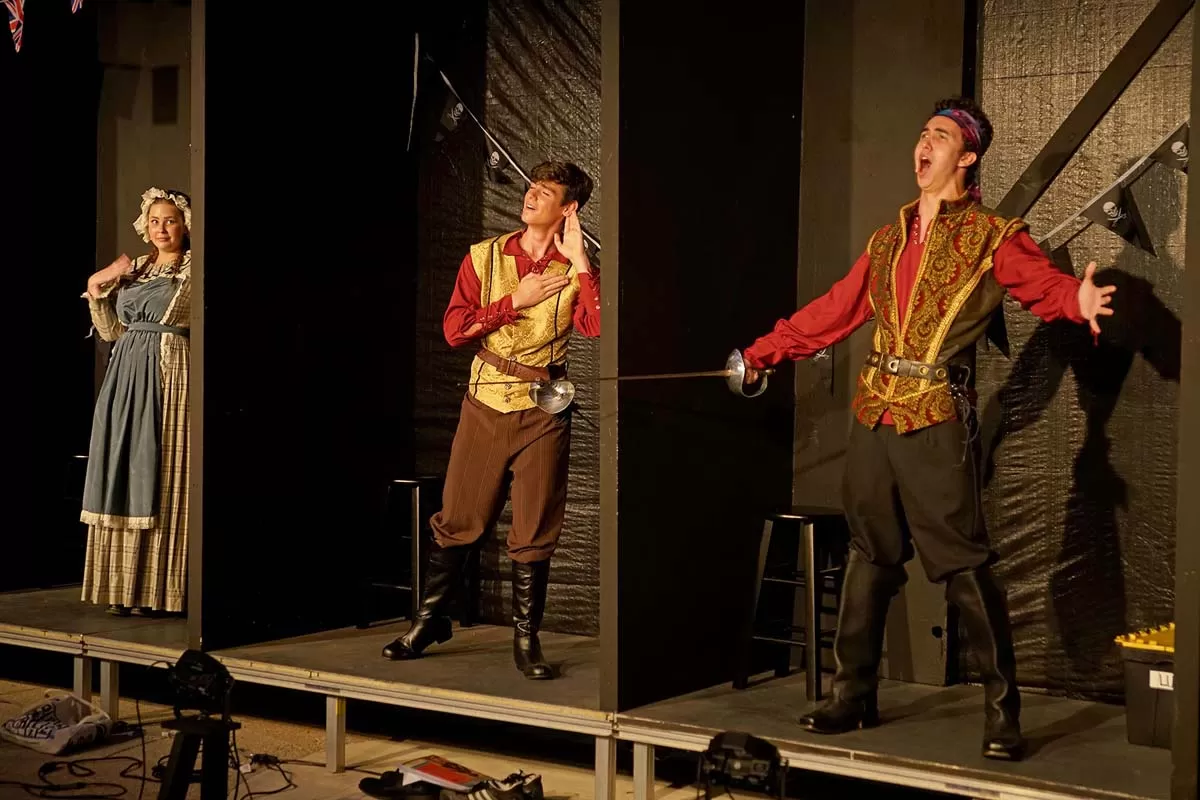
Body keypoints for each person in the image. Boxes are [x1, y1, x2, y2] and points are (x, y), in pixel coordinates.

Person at [739, 97, 1116, 761]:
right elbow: (836, 309)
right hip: (875, 410)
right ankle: (853, 694)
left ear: (966, 157)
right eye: (922, 133)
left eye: (939, 136)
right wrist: (763, 353)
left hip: (935, 415)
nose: (924, 143)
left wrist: (1075, 299)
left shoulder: (991, 236)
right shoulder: (889, 238)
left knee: (962, 561)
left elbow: (1039, 284)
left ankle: (1002, 711)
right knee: (870, 552)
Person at [382, 161, 599, 679]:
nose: (531, 196)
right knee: (460, 517)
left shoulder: (575, 269)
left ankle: (526, 638)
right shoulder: (484, 256)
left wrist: (581, 261)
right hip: (485, 401)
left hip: (543, 409)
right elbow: (455, 330)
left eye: (545, 192)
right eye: (531, 187)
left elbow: (596, 327)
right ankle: (429, 620)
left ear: (568, 208)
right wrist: (513, 302)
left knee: (534, 524)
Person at [80, 187, 193, 617]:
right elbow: (112, 331)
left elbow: (185, 315)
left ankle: (158, 591)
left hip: (169, 366)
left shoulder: (193, 267)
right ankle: (122, 588)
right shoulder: (136, 268)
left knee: (161, 468)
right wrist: (97, 290)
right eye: (154, 221)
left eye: (170, 221)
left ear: (185, 225)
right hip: (126, 369)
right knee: (122, 466)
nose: (161, 229)